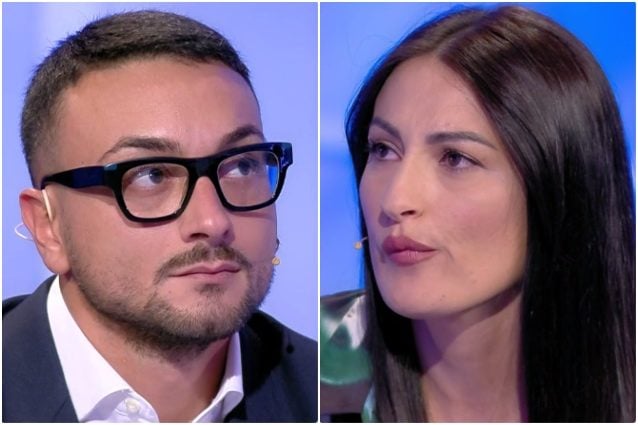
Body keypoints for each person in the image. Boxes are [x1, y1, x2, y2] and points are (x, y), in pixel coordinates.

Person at [321, 4, 635, 422]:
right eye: (383, 149)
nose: (396, 200)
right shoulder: (313, 366)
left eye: (455, 158)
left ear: (558, 184)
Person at [3, 10, 317, 422]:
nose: (213, 222)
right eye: (150, 176)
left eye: (242, 166)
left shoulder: (324, 393)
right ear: (48, 228)